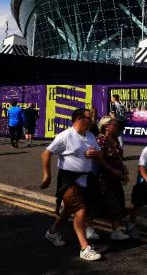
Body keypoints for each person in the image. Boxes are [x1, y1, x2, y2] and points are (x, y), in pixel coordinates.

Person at [40, 108, 103, 261]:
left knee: (69, 209)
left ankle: (52, 232)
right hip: (68, 179)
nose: (93, 121)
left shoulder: (90, 136)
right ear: (79, 119)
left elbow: (99, 154)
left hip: (85, 179)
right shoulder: (66, 135)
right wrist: (47, 175)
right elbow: (46, 153)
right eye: (90, 118)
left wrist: (95, 154)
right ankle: (84, 248)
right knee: (80, 209)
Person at [93, 116, 129, 240]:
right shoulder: (100, 141)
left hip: (115, 178)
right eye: (114, 125)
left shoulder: (115, 140)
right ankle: (88, 227)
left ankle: (116, 231)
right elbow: (100, 161)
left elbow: (118, 157)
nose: (117, 127)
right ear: (106, 127)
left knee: (116, 203)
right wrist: (114, 171)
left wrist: (123, 168)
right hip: (103, 179)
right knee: (97, 203)